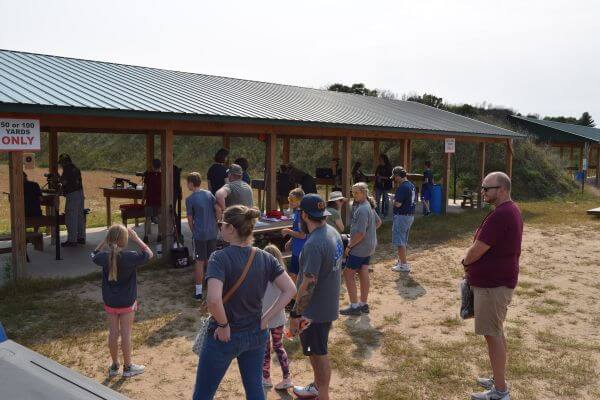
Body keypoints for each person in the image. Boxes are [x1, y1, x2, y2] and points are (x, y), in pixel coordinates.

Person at [193, 205, 296, 400]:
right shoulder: (265, 257)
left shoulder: (218, 258)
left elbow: (213, 300)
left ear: (231, 228)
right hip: (256, 332)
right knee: (255, 390)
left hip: (224, 335)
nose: (219, 227)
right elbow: (290, 290)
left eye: (221, 224)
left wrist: (223, 325)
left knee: (203, 395)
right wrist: (266, 318)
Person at [462, 172, 522, 400]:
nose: (483, 192)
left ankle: (500, 391)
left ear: (502, 189)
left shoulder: (502, 214)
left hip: (493, 285)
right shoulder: (508, 210)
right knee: (496, 331)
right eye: (482, 188)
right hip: (497, 282)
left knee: (492, 334)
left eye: (487, 188)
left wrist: (465, 261)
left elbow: (478, 248)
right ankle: (499, 379)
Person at [290, 194, 343, 400]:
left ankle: (323, 395)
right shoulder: (332, 232)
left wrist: (296, 313)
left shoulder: (313, 244)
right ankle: (317, 388)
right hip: (327, 305)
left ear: (304, 215)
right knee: (315, 350)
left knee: (318, 354)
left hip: (314, 312)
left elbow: (309, 283)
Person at [91, 224, 153, 378]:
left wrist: (104, 240)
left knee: (113, 333)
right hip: (127, 302)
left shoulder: (103, 257)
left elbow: (93, 254)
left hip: (110, 302)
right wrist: (136, 238)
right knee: (126, 334)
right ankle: (128, 367)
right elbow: (149, 254)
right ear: (125, 241)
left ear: (109, 240)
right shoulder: (131, 256)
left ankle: (114, 366)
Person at [340, 183, 381, 316]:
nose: (354, 195)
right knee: (363, 272)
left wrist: (349, 246)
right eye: (353, 193)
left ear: (364, 193)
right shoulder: (368, 206)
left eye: (357, 192)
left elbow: (360, 234)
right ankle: (363, 304)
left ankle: (354, 306)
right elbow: (378, 222)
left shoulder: (362, 209)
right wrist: (370, 233)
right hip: (369, 246)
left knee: (348, 274)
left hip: (360, 247)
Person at [261, 245, 293, 391]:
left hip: (263, 318)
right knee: (279, 346)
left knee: (265, 349)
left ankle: (266, 377)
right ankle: (287, 378)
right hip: (278, 318)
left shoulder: (261, 276)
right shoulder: (283, 276)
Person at [186, 172, 221, 300]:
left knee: (199, 261)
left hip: (200, 234)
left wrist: (194, 231)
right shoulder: (209, 194)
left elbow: (190, 219)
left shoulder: (190, 199)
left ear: (191, 183)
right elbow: (218, 209)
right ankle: (212, 287)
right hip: (212, 232)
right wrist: (216, 222)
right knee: (211, 260)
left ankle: (198, 292)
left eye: (187, 183)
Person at [390, 166, 417, 273]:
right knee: (403, 240)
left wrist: (392, 200)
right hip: (409, 215)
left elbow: (398, 204)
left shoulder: (402, 187)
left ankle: (404, 265)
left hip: (402, 216)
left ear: (398, 176)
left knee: (400, 241)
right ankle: (401, 261)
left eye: (394, 177)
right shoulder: (411, 185)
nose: (394, 179)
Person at [58, 153, 86, 247]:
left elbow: (64, 182)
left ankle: (72, 240)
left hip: (72, 194)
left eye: (61, 163)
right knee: (79, 216)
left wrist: (58, 178)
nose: (61, 165)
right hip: (80, 193)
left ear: (64, 162)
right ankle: (81, 238)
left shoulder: (67, 169)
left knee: (71, 217)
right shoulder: (75, 168)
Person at [281, 188, 307, 283]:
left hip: (301, 250)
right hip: (297, 248)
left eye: (293, 200)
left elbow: (302, 235)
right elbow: (297, 229)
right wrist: (291, 240)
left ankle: (295, 292)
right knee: (295, 274)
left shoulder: (301, 214)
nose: (290, 202)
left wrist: (287, 231)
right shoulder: (297, 212)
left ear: (300, 201)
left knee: (295, 275)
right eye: (289, 199)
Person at [142, 159, 162, 244]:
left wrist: (143, 198)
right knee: (160, 217)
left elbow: (145, 188)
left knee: (148, 218)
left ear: (153, 166)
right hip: (159, 200)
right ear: (160, 166)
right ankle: (159, 235)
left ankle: (146, 236)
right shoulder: (162, 176)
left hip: (150, 200)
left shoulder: (148, 175)